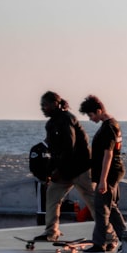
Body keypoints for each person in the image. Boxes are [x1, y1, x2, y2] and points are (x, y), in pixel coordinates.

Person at [36, 91, 94, 242]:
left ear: (55, 104)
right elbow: (54, 151)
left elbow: (70, 147)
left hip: (80, 168)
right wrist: (49, 171)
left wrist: (58, 170)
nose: (43, 108)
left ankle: (108, 235)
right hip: (65, 169)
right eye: (41, 105)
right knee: (52, 195)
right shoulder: (51, 123)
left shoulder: (67, 119)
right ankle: (51, 232)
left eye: (45, 105)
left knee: (93, 201)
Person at [79, 95, 126, 253]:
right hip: (110, 172)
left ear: (99, 111)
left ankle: (100, 244)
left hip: (110, 173)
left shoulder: (109, 127)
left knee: (101, 208)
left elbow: (109, 155)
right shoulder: (110, 124)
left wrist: (103, 180)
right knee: (109, 207)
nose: (90, 119)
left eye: (91, 115)